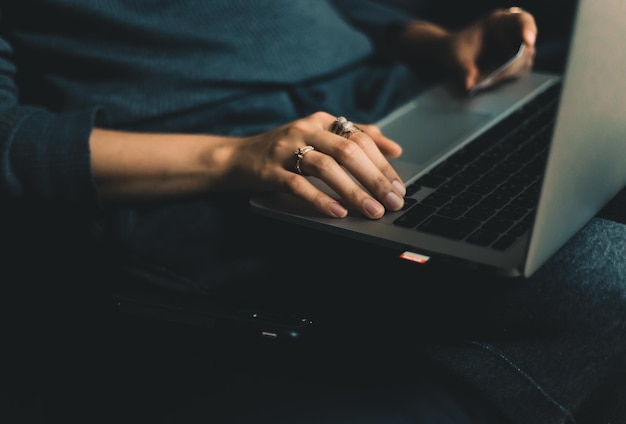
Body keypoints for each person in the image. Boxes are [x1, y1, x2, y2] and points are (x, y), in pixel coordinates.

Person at [1, 1, 624, 423]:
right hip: (212, 164)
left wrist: (436, 43)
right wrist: (232, 158)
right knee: (605, 276)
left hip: (384, 101)